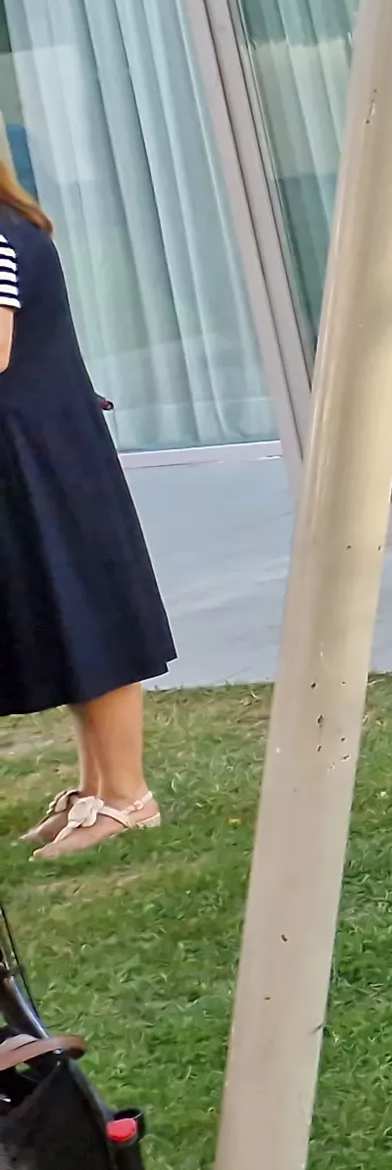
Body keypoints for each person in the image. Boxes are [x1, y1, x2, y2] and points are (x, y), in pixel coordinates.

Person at [0, 146, 177, 859]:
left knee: (89, 615)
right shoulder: (17, 225)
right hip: (39, 452)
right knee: (71, 616)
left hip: (36, 457)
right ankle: (96, 789)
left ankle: (128, 797)